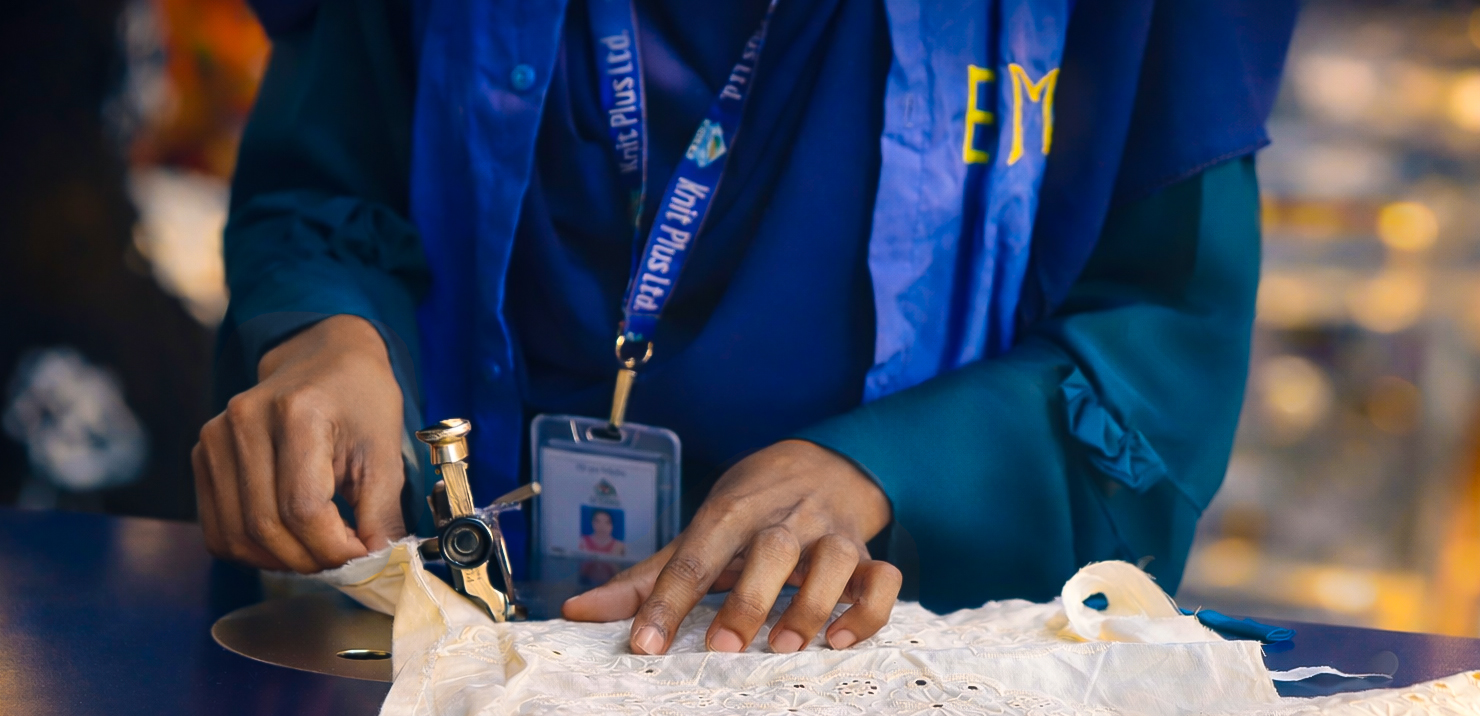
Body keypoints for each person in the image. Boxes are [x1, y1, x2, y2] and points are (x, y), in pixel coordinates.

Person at [195, 0, 1295, 657]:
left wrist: (888, 472)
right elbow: (322, 186)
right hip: (423, 668)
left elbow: (1158, 354)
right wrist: (326, 335)